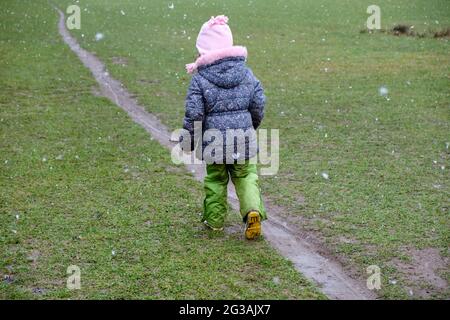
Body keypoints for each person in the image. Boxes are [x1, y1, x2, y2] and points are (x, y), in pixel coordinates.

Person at [182, 15, 267, 240]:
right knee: (247, 176)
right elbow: (258, 103)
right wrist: (252, 126)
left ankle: (215, 221)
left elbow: (194, 114)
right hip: (243, 139)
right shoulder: (247, 74)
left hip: (214, 144)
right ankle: (253, 212)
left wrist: (189, 140)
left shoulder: (200, 80)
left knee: (216, 181)